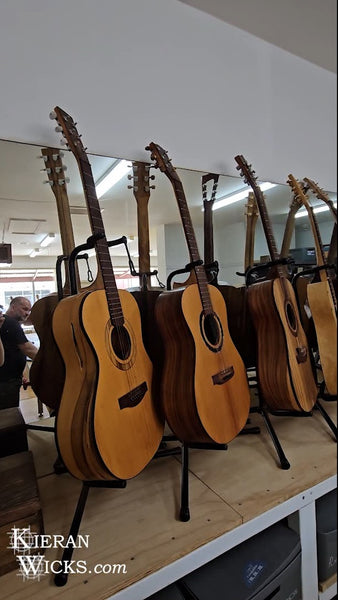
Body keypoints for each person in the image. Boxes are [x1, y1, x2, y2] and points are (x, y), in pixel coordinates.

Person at [0, 296, 38, 409]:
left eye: (29, 310)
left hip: (9, 379)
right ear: (13, 307)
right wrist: (49, 360)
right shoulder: (11, 323)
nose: (27, 313)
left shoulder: (7, 323)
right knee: (8, 414)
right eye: (24, 309)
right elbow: (28, 349)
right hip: (6, 382)